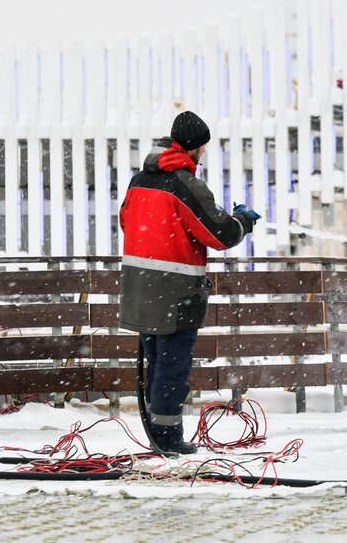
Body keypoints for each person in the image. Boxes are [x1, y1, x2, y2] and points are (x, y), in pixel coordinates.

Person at [118, 111, 260, 454]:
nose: (205, 153)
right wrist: (242, 220)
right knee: (173, 366)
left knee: (156, 363)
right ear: (194, 147)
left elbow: (126, 221)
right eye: (204, 147)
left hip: (140, 287)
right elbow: (219, 233)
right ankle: (166, 439)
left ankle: (157, 432)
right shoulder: (185, 184)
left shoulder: (139, 181)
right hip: (176, 292)